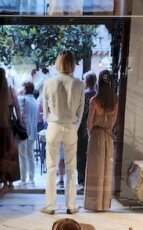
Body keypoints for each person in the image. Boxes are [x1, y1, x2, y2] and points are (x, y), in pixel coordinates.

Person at [41, 51, 85, 214]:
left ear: (57, 63)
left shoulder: (48, 83)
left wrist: (52, 121)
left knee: (51, 168)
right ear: (72, 63)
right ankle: (71, 206)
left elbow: (45, 112)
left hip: (53, 125)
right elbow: (80, 112)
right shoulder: (79, 84)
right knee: (71, 169)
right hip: (71, 127)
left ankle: (50, 206)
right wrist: (73, 127)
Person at [84, 69, 118, 212]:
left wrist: (90, 135)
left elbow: (89, 122)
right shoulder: (115, 101)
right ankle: (104, 204)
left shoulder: (94, 100)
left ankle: (94, 204)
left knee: (95, 169)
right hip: (108, 136)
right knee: (106, 169)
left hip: (96, 135)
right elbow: (114, 122)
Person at [0, 67, 21, 192]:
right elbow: (17, 107)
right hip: (9, 126)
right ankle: (10, 182)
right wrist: (20, 122)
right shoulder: (10, 89)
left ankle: (1, 181)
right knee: (9, 153)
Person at [77, 72, 97, 193]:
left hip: (83, 130)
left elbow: (81, 113)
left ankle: (81, 181)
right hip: (95, 130)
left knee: (81, 156)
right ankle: (92, 180)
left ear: (87, 81)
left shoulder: (84, 95)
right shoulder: (98, 95)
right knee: (93, 156)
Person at [18, 81, 39, 187]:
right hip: (33, 131)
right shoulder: (35, 101)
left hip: (23, 131)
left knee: (22, 155)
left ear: (25, 89)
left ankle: (23, 178)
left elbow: (20, 114)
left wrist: (19, 93)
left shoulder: (22, 99)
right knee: (30, 154)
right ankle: (31, 177)